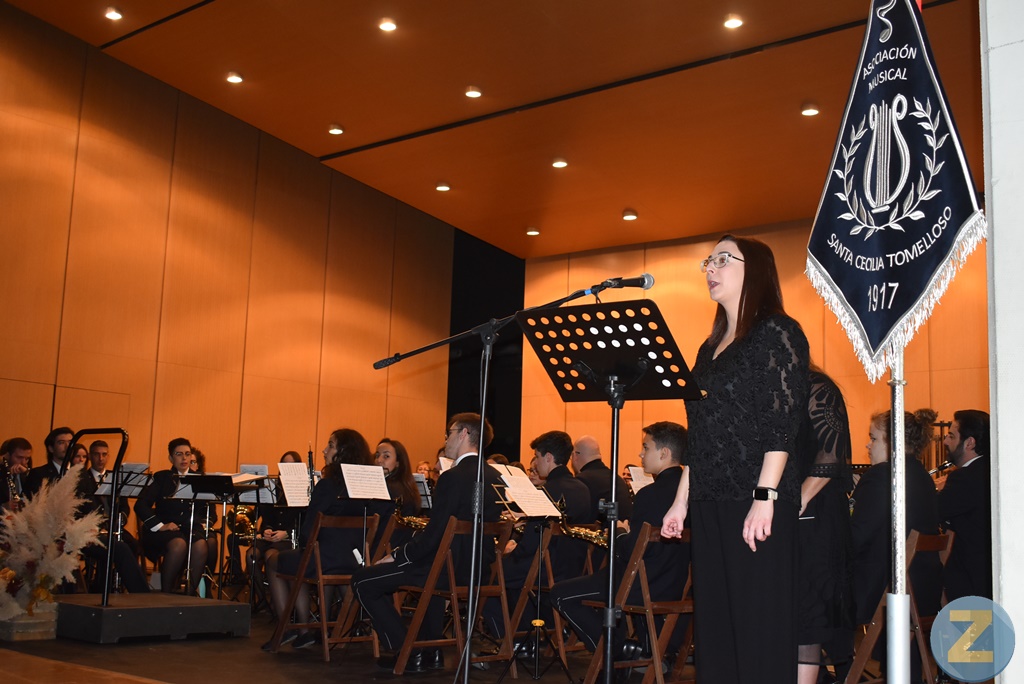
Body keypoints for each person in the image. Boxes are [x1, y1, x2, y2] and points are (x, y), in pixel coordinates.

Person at [661, 235, 809, 684]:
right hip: (709, 500)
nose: (711, 267)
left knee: (757, 624)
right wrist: (681, 502)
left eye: (723, 259)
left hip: (755, 498)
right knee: (717, 626)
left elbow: (782, 424)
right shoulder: (709, 349)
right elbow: (702, 436)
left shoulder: (778, 331)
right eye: (709, 260)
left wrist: (765, 496)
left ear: (756, 270)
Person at [352, 413, 503, 673]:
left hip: (445, 569)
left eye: (450, 432)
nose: (446, 438)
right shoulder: (495, 476)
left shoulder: (452, 477)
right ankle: (430, 653)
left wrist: (398, 555)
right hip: (478, 571)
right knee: (430, 585)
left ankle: (407, 650)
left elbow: (434, 537)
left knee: (363, 580)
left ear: (464, 434)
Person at [551, 421, 689, 655]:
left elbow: (633, 551)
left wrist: (621, 533)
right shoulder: (691, 494)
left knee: (560, 593)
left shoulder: (649, 494)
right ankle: (643, 651)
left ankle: (613, 653)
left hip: (641, 585)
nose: (640, 453)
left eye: (646, 447)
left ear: (664, 453)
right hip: (676, 584)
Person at [846, 408, 942, 681]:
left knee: (812, 593)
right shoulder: (921, 476)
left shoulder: (880, 477)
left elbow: (856, 538)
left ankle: (839, 670)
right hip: (923, 587)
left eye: (873, 438)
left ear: (893, 442)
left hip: (886, 589)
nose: (867, 445)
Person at [264, 429, 381, 651]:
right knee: (301, 561)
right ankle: (315, 628)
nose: (324, 450)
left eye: (331, 445)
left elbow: (309, 533)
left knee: (275, 561)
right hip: (356, 562)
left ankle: (294, 629)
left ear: (343, 452)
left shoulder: (327, 485)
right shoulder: (367, 487)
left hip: (324, 561)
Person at [483, 430, 593, 641]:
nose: (535, 463)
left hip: (544, 568)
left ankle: (512, 639)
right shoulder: (582, 489)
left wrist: (512, 548)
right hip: (573, 568)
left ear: (549, 457)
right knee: (511, 576)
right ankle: (534, 633)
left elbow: (532, 545)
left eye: (537, 456)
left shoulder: (546, 491)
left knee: (486, 577)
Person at [796, 370, 855, 684]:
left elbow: (830, 456)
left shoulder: (817, 388)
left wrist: (797, 501)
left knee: (809, 616)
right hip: (787, 513)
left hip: (814, 516)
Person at [134, 438, 218, 594]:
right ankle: (166, 593)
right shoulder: (161, 478)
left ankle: (189, 594)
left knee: (201, 546)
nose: (184, 458)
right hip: (164, 530)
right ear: (171, 458)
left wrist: (206, 523)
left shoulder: (200, 479)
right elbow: (141, 505)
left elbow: (210, 510)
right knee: (179, 544)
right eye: (179, 454)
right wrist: (160, 526)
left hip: (190, 528)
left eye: (187, 454)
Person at [938, 409, 992, 600]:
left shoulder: (965, 478)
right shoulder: (990, 470)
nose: (945, 442)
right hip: (987, 579)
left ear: (969, 442)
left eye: (951, 436)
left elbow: (934, 511)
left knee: (969, 632)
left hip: (969, 584)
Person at [248, 451, 303, 607]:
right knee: (251, 556)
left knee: (271, 556)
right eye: (284, 465)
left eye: (291, 466)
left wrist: (286, 533)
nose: (287, 469)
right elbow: (267, 518)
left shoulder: (303, 490)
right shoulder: (273, 489)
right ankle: (262, 599)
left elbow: (304, 520)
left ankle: (277, 600)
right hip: (271, 537)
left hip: (289, 538)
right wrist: (267, 529)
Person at [571, 435, 633, 521]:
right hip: (624, 531)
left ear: (575, 456)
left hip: (603, 532)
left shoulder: (582, 481)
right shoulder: (617, 478)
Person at [375, 438, 421, 549]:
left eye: (386, 456)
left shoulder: (387, 488)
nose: (379, 460)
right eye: (377, 455)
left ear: (398, 463)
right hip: (397, 549)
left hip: (382, 549)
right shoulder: (407, 487)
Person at [24, 426, 74, 497]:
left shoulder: (81, 473)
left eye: (70, 442)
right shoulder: (38, 474)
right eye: (61, 443)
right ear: (51, 448)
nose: (67, 446)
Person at [1, 437, 32, 511]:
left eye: (27, 459)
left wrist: (27, 473)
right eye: (19, 457)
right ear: (7, 456)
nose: (23, 462)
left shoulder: (27, 473)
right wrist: (2, 506)